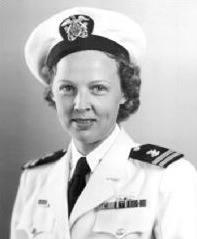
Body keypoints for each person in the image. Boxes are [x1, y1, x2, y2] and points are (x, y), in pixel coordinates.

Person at [10, 6, 197, 239]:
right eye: (67, 88)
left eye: (98, 88)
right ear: (52, 94)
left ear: (125, 93)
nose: (80, 104)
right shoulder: (35, 178)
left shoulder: (167, 178)